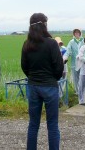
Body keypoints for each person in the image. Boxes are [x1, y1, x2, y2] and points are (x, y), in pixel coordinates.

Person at [21, 13, 64, 150]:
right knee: (52, 124)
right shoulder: (51, 43)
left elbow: (24, 66)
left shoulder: (27, 44)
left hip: (33, 86)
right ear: (44, 24)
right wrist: (53, 79)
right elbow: (59, 67)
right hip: (50, 87)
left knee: (33, 124)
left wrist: (33, 77)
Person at [63, 29, 84, 94]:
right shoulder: (71, 42)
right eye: (75, 33)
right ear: (74, 34)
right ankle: (77, 91)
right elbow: (68, 50)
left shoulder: (83, 41)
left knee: (83, 77)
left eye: (78, 32)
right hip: (74, 63)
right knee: (75, 78)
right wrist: (65, 57)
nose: (77, 34)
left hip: (82, 62)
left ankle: (84, 91)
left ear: (80, 33)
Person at [76, 32, 85, 106]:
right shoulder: (83, 47)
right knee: (82, 84)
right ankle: (81, 100)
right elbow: (80, 56)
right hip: (84, 68)